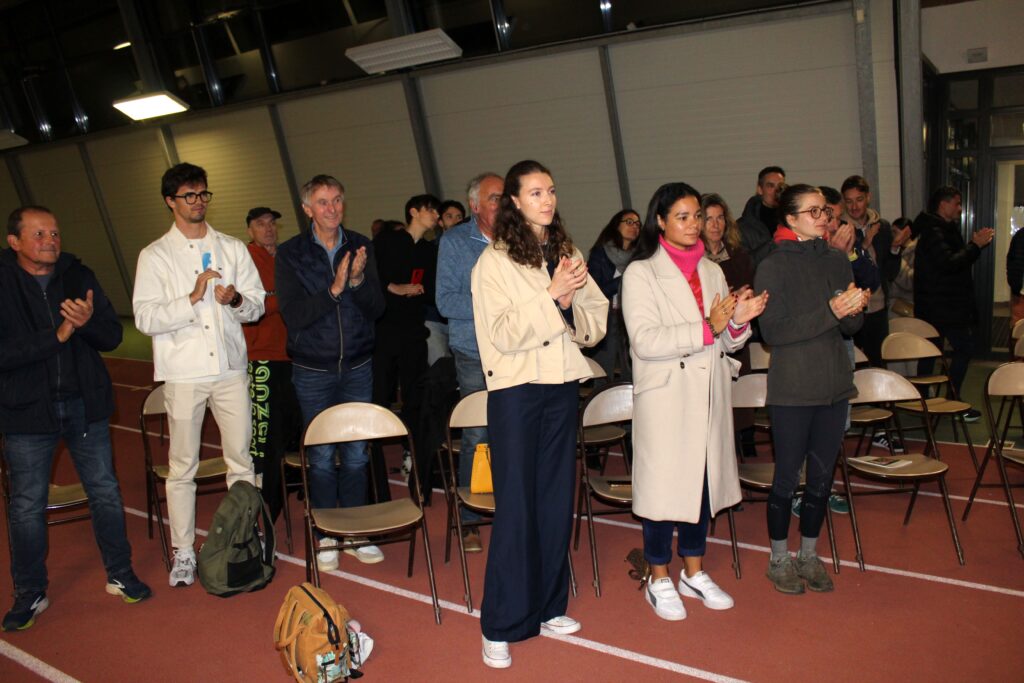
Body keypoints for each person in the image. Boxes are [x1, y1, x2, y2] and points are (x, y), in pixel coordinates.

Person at [472, 160, 607, 668]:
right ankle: (500, 624)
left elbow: (595, 320)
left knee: (555, 502)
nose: (546, 200)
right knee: (516, 510)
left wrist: (569, 305)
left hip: (559, 388)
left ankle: (549, 607)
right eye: (534, 193)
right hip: (516, 392)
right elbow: (504, 333)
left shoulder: (566, 253)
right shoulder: (494, 262)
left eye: (550, 190)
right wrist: (552, 297)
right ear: (512, 202)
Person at [1, 206, 151, 631]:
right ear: (15, 242)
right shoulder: (3, 282)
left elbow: (113, 335)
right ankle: (30, 593)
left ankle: (120, 573)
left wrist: (84, 325)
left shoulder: (77, 275)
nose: (51, 240)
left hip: (85, 403)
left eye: (54, 231)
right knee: (27, 506)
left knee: (104, 490)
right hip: (27, 412)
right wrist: (56, 337)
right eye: (39, 234)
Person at [623, 184, 767, 621]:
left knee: (701, 487)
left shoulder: (712, 270)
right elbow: (645, 341)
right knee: (664, 492)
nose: (693, 225)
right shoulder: (641, 274)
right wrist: (710, 326)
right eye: (682, 217)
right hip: (667, 397)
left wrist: (738, 325)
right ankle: (659, 576)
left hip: (707, 392)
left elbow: (723, 338)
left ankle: (694, 570)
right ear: (661, 222)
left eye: (696, 217)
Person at [133, 163, 263, 588]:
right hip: (184, 373)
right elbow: (145, 318)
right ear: (170, 201)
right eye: (189, 195)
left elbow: (257, 305)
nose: (198, 202)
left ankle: (245, 537)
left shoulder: (231, 247)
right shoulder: (154, 255)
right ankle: (184, 551)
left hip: (229, 369)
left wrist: (236, 298)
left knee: (241, 460)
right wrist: (192, 298)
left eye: (204, 194)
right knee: (182, 466)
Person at [754, 184, 869, 594]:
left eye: (825, 210)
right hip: (793, 389)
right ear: (790, 219)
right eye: (813, 210)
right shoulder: (772, 265)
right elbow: (774, 332)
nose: (824, 216)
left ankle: (809, 553)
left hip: (835, 385)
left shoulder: (838, 260)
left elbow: (850, 327)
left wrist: (855, 310)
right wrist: (830, 312)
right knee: (787, 479)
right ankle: (778, 558)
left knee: (821, 479)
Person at [276, 175, 386, 569]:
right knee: (321, 457)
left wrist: (357, 281)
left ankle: (354, 531)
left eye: (338, 200)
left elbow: (378, 309)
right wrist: (335, 290)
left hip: (358, 365)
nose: (332, 209)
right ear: (307, 209)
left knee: (357, 452)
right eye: (322, 202)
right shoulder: (290, 253)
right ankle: (325, 535)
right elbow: (294, 316)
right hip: (313, 369)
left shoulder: (361, 245)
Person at [435, 172, 503, 554]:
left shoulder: (520, 239)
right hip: (475, 352)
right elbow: (445, 301)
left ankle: (509, 509)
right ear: (475, 205)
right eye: (495, 198)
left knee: (512, 433)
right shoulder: (455, 241)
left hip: (517, 352)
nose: (503, 204)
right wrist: (492, 306)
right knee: (478, 434)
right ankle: (470, 518)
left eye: (506, 197)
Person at [912, 185, 994, 415]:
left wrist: (971, 247)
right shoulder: (934, 231)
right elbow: (949, 264)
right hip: (941, 306)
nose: (960, 209)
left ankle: (936, 400)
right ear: (944, 204)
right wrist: (974, 246)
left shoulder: (941, 228)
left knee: (933, 352)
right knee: (948, 350)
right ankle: (938, 400)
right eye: (957, 203)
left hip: (942, 305)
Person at [241, 207, 301, 522]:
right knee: (263, 424)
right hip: (260, 353)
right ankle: (259, 483)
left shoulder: (284, 257)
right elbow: (256, 304)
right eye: (260, 224)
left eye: (272, 223)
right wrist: (285, 298)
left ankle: (285, 479)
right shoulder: (245, 258)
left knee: (291, 420)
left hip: (292, 352)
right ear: (250, 230)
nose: (268, 229)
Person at [372, 194, 439, 432]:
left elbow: (433, 289)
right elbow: (369, 276)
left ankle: (413, 449)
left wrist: (421, 289)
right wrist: (393, 287)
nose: (435, 216)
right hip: (386, 328)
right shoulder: (388, 240)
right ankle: (376, 452)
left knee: (416, 393)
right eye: (430, 210)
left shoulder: (428, 250)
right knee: (380, 392)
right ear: (413, 212)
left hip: (413, 328)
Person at [700, 193, 757, 459]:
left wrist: (735, 298)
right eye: (709, 218)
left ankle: (745, 451)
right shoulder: (694, 262)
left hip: (736, 339)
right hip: (706, 339)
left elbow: (749, 291)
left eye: (720, 217)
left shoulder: (739, 255)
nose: (715, 224)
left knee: (740, 405)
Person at [841, 175, 911, 366]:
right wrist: (863, 245)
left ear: (868, 198)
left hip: (878, 304)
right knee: (855, 362)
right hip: (852, 307)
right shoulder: (840, 229)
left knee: (878, 360)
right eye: (849, 201)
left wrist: (895, 248)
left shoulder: (883, 227)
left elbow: (889, 272)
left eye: (859, 200)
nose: (854, 207)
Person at [586, 209, 640, 384]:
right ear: (616, 225)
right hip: (606, 318)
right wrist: (624, 279)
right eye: (629, 222)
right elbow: (596, 291)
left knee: (632, 373)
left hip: (630, 319)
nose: (634, 227)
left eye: (638, 224)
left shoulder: (640, 257)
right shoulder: (600, 253)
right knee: (603, 372)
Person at [737, 166, 786, 265]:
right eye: (770, 186)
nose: (776, 191)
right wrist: (774, 243)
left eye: (780, 187)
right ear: (760, 189)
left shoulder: (793, 222)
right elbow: (744, 264)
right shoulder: (741, 227)